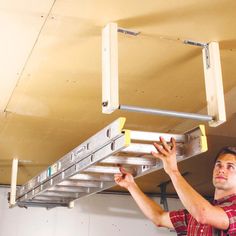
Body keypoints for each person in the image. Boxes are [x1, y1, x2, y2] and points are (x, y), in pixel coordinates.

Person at [114, 137, 236, 235]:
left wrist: (173, 171)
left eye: (230, 167)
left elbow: (203, 214)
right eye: (218, 165)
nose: (221, 170)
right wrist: (131, 185)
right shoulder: (197, 212)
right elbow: (159, 218)